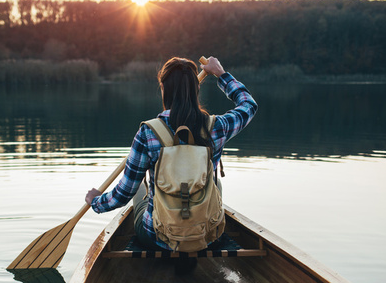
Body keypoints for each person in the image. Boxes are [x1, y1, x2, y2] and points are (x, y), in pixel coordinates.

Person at [85, 56, 257, 250]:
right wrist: (221, 73)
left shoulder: (148, 132)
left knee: (140, 189)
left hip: (158, 236)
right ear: (197, 90)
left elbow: (123, 194)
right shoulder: (217, 127)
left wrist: (96, 201)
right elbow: (249, 105)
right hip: (206, 235)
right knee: (215, 182)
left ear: (163, 89)